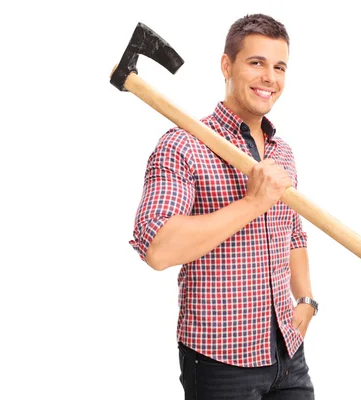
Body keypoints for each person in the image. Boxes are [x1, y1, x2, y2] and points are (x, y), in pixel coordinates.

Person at [129, 13, 317, 400]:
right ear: (226, 65)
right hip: (220, 362)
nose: (270, 77)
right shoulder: (182, 145)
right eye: (256, 63)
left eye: (279, 67)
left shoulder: (283, 153)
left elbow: (293, 231)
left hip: (288, 354)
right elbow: (158, 250)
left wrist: (307, 300)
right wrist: (253, 202)